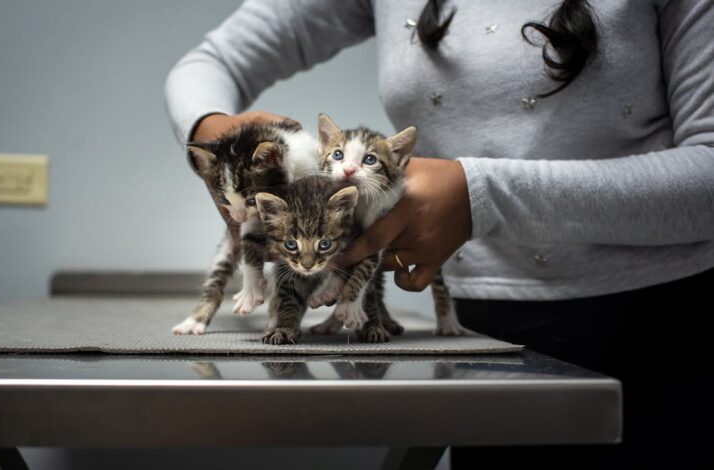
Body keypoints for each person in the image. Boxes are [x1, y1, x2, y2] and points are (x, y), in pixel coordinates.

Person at [165, 0, 714, 467]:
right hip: (476, 346)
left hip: (664, 333)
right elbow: (210, 63)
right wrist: (220, 148)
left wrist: (480, 196)